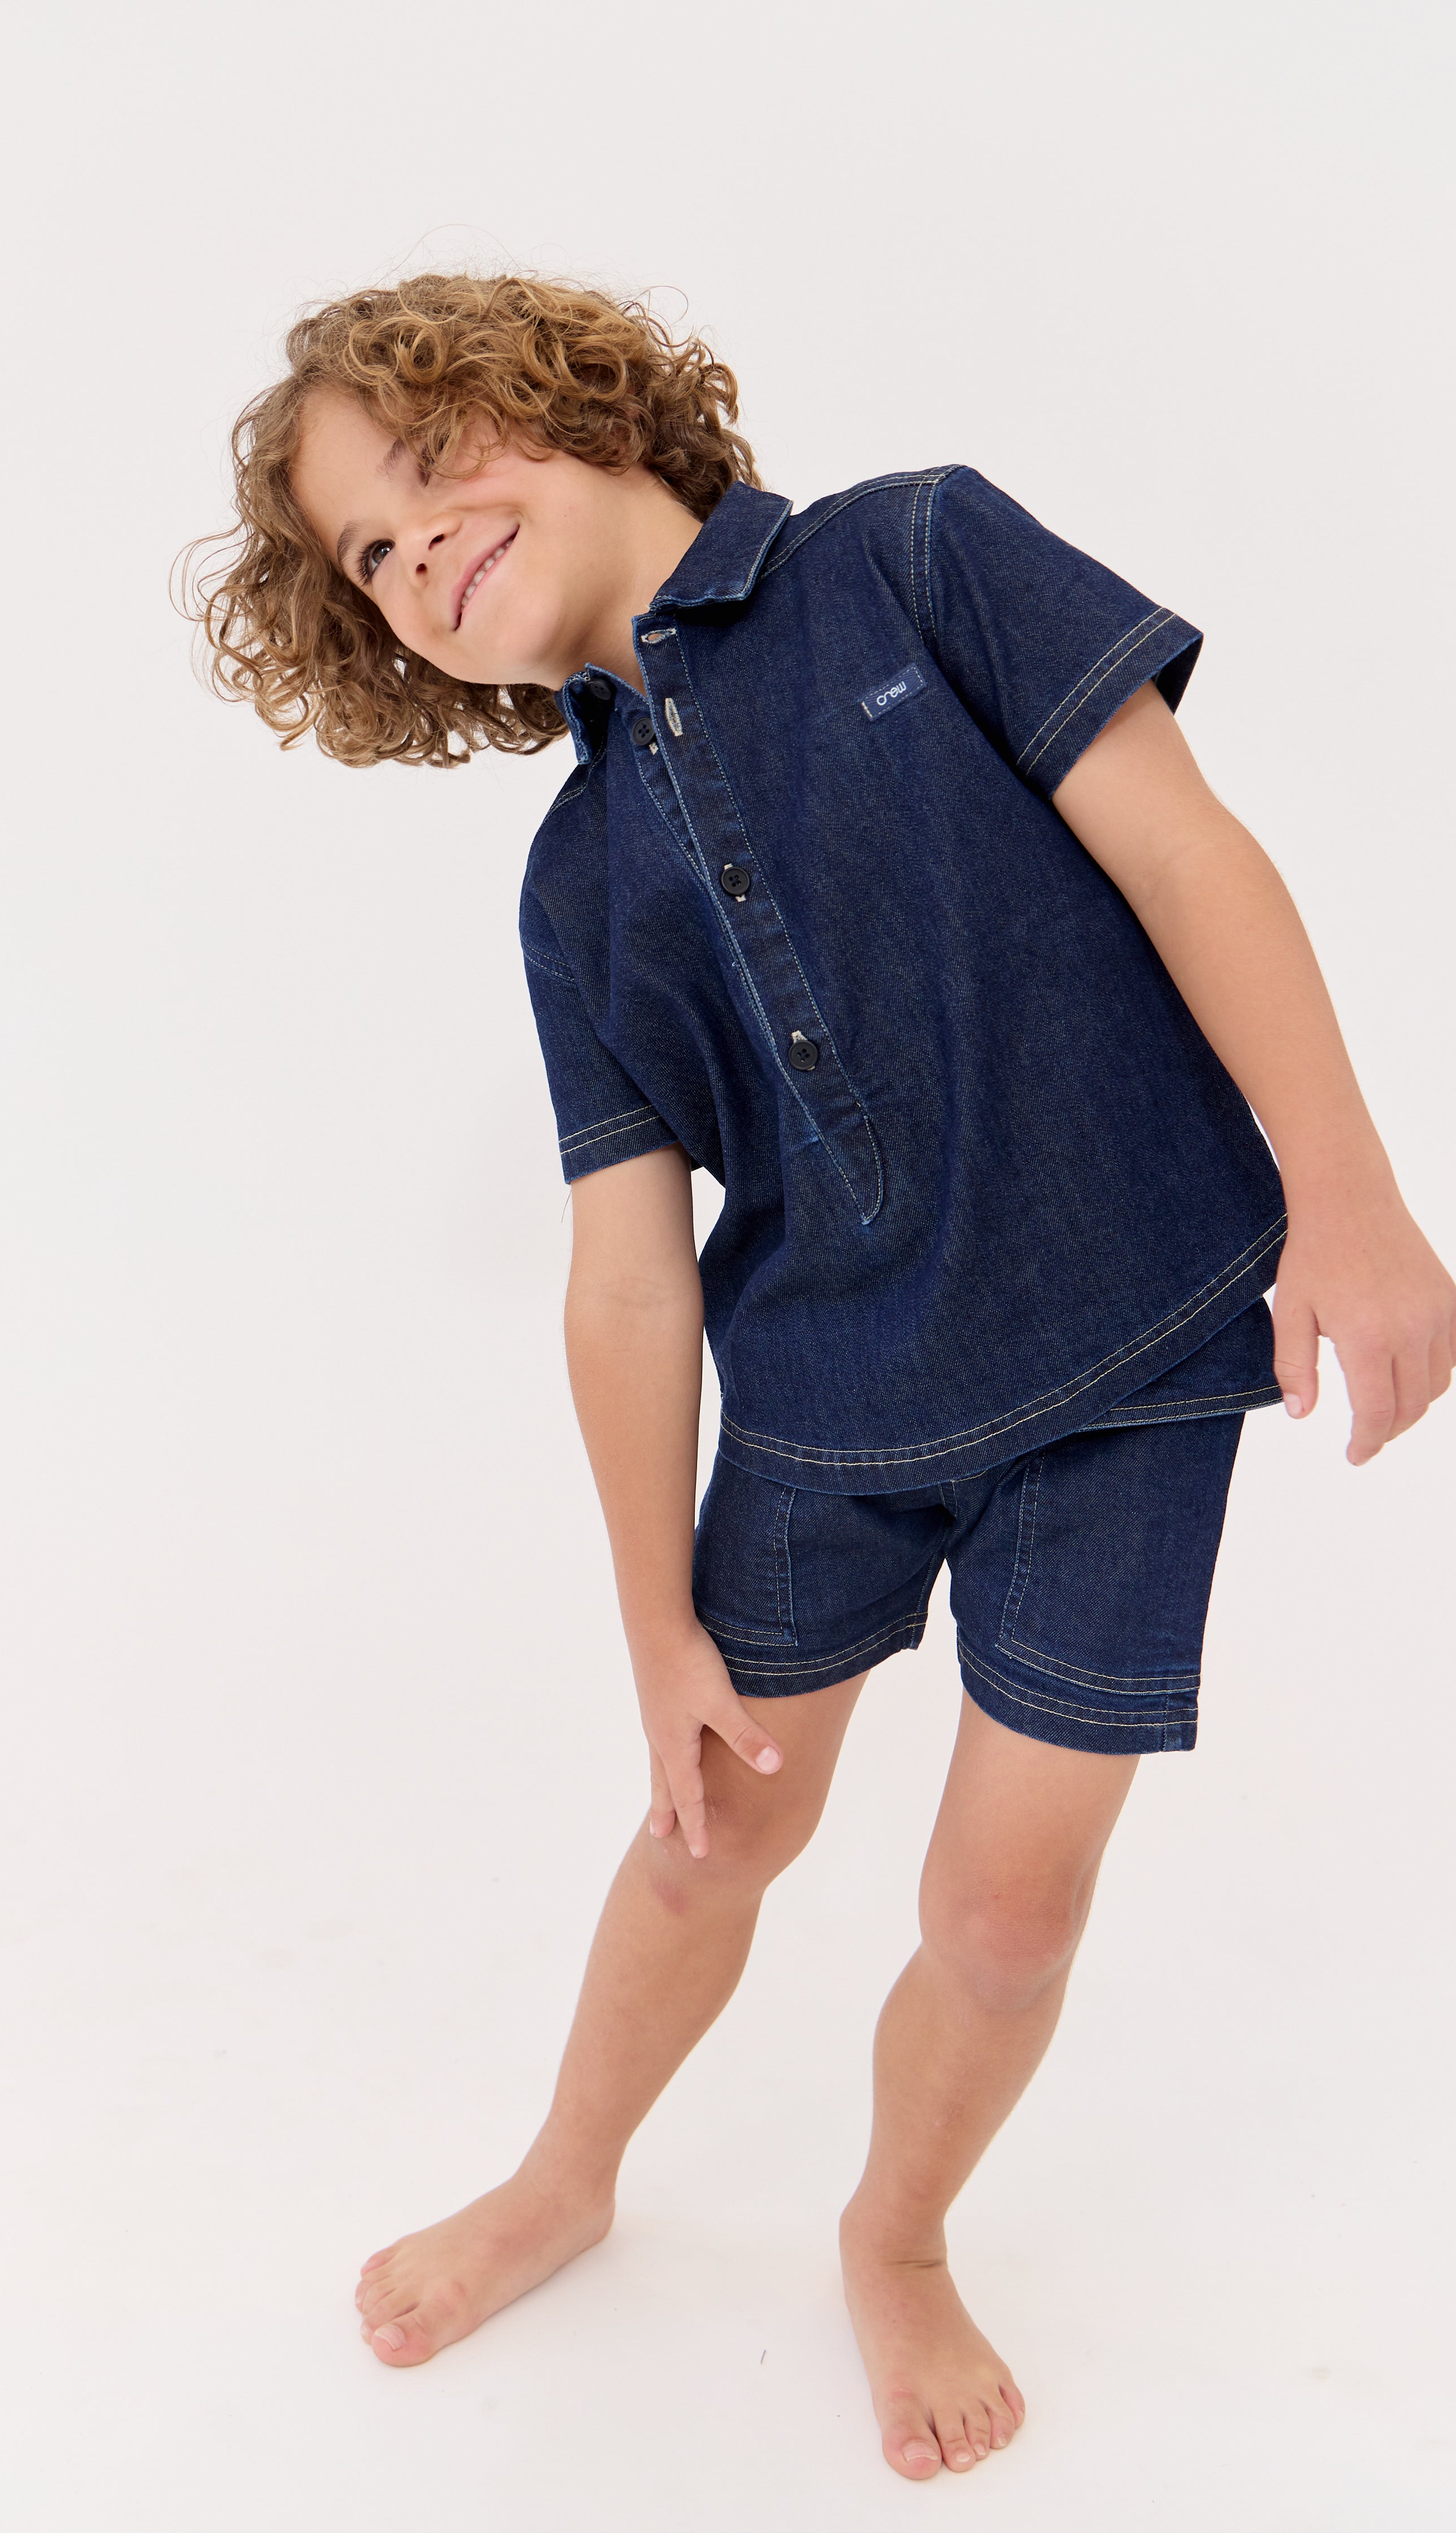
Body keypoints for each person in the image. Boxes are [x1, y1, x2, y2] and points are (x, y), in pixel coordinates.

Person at [187, 274, 1453, 2480]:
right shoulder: (576, 882)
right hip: (819, 1418)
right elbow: (624, 1280)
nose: (411, 550)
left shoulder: (916, 554)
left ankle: (896, 2229)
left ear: (571, 401)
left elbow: (1185, 850)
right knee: (706, 1842)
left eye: (429, 468)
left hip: (1126, 1367)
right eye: (367, 556)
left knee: (1003, 1915)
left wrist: (1347, 1202)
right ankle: (566, 2175)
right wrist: (651, 1622)